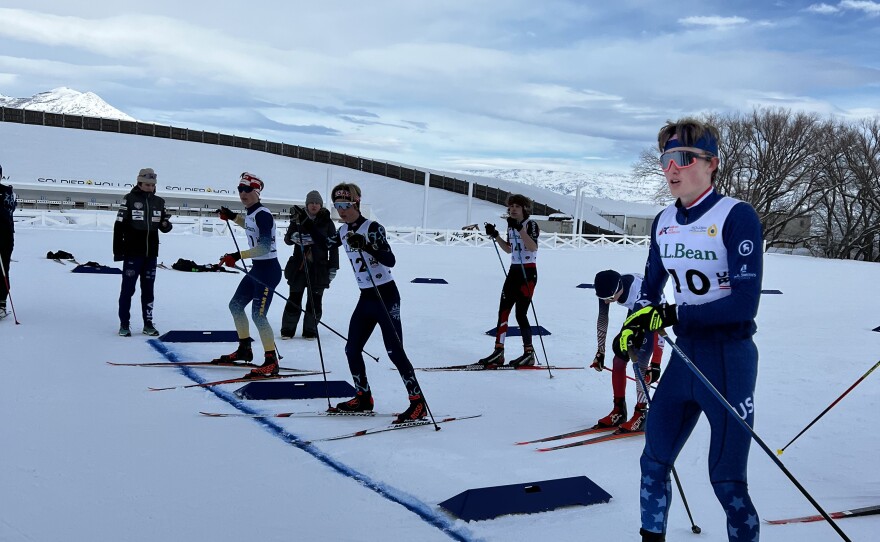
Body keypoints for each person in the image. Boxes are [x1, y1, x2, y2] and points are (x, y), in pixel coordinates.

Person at [615, 119, 763, 542]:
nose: (671, 168)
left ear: (711, 163)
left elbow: (743, 304)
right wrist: (636, 324)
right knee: (653, 462)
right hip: (686, 360)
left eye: (683, 157)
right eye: (665, 160)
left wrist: (674, 316)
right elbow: (649, 291)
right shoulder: (663, 221)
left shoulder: (736, 215)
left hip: (729, 360)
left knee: (728, 481)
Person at [322, 182, 426, 425]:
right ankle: (363, 397)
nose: (342, 210)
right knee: (352, 349)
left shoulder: (373, 228)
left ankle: (417, 402)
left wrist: (367, 246)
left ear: (356, 203)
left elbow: (390, 259)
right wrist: (305, 227)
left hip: (385, 295)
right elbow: (323, 244)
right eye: (338, 206)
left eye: (346, 205)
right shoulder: (342, 231)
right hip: (366, 296)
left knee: (395, 351)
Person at [214, 172, 283, 377]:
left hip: (268, 271)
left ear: (257, 192)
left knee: (258, 315)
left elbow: (263, 247)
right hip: (257, 269)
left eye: (247, 190)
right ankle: (244, 349)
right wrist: (234, 217)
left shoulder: (263, 214)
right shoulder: (253, 213)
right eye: (240, 190)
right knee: (235, 306)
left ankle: (271, 360)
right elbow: (249, 226)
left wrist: (237, 255)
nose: (243, 194)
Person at [590, 270, 665, 433]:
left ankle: (641, 414)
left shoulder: (642, 292)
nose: (607, 302)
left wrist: (656, 363)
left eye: (610, 299)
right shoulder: (608, 288)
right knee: (618, 360)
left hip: (652, 315)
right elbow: (602, 318)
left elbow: (660, 328)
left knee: (642, 364)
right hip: (634, 314)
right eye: (603, 299)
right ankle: (618, 411)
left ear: (619, 289)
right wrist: (600, 351)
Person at [478, 194, 540, 367]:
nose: (513, 209)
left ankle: (529, 352)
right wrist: (496, 235)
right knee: (503, 310)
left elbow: (533, 246)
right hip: (514, 271)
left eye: (517, 207)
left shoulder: (530, 224)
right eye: (511, 206)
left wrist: (519, 228)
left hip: (527, 272)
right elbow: (508, 250)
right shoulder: (511, 226)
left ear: (524, 209)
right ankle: (499, 351)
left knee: (521, 314)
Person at [113, 168, 173, 336]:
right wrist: (118, 251)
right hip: (133, 253)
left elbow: (164, 225)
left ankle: (148, 324)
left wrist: (166, 225)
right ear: (139, 183)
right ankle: (124, 324)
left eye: (153, 185)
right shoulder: (129, 199)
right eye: (147, 184)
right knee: (128, 290)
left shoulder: (159, 201)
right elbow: (119, 226)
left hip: (151, 254)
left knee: (148, 290)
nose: (150, 187)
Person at [280, 190, 339, 340]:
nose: (314, 205)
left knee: (315, 301)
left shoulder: (327, 221)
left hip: (319, 268)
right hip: (299, 267)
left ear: (321, 205)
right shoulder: (297, 219)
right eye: (311, 203)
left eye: (317, 203)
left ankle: (310, 330)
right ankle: (287, 330)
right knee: (294, 298)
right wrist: (294, 237)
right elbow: (287, 239)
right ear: (307, 204)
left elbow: (333, 246)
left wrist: (333, 267)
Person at [0, 163, 16, 319]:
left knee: (2, 269)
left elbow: (9, 210)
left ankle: (1, 303)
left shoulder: (7, 192)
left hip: (4, 237)